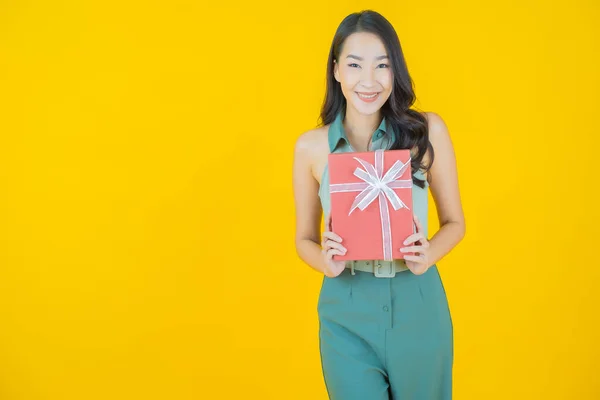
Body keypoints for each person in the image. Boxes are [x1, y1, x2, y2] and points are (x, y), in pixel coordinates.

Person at [292, 10, 466, 400]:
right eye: (354, 65)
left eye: (382, 65)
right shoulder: (310, 147)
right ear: (336, 70)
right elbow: (303, 238)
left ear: (395, 70)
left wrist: (428, 254)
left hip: (418, 305)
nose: (368, 81)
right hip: (345, 309)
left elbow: (455, 222)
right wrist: (326, 259)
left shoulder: (427, 131)